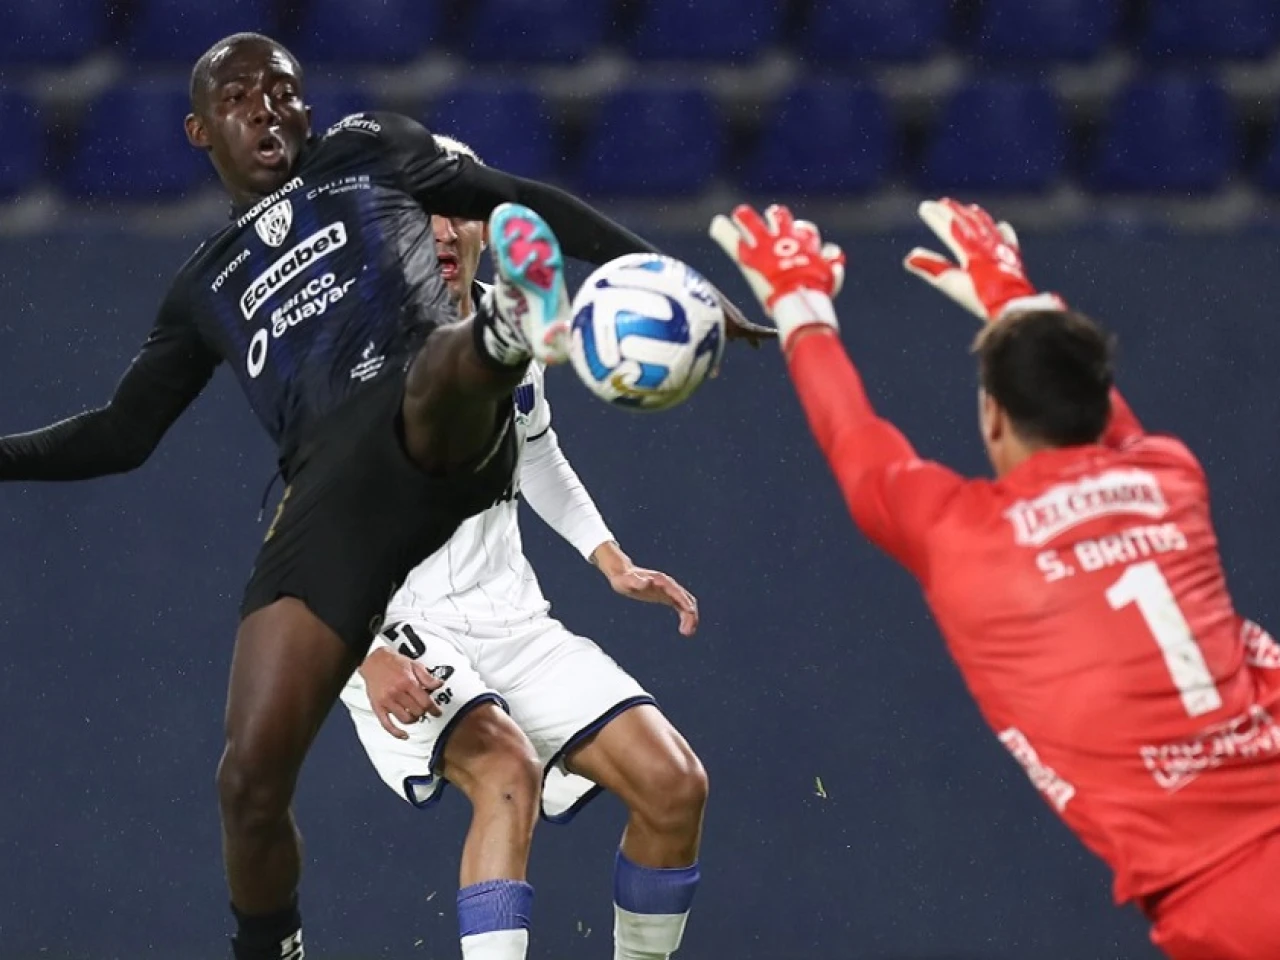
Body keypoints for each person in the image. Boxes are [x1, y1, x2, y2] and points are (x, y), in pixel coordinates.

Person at [0, 32, 764, 960]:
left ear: (309, 109)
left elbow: (520, 198)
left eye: (283, 90)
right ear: (200, 130)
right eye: (239, 97)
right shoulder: (206, 284)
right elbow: (120, 435)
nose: (266, 107)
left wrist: (668, 281)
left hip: (440, 443)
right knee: (250, 783)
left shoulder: (370, 152)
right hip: (349, 522)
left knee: (434, 372)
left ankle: (505, 330)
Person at [711, 198, 1280, 960]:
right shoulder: (1170, 475)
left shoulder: (960, 537)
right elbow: (1102, 415)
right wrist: (1015, 298)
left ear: (993, 419)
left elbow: (855, 440)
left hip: (1230, 904)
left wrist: (798, 301)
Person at [337, 135, 707, 960]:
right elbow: (296, 528)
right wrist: (362, 654)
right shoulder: (351, 350)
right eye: (418, 213)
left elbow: (535, 448)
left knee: (675, 786)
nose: (442, 229)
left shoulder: (508, 325)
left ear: (487, 226)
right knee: (508, 770)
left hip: (512, 618)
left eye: (458, 209)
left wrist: (610, 559)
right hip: (395, 623)